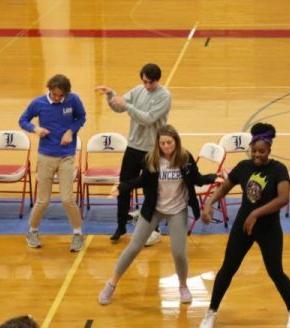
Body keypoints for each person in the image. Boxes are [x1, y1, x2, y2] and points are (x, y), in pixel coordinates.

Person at [98, 125, 217, 306]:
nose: (166, 146)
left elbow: (196, 179)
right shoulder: (151, 160)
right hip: (154, 209)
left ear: (176, 141)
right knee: (133, 248)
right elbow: (141, 181)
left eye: (169, 142)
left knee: (178, 252)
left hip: (178, 209)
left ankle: (183, 286)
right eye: (162, 143)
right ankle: (111, 284)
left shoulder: (185, 158)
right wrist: (123, 187)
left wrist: (213, 178)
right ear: (158, 144)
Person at [198, 123, 290, 328]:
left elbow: (282, 199)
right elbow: (224, 188)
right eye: (254, 151)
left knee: (275, 272)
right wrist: (209, 203)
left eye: (261, 151)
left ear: (269, 150)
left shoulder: (278, 170)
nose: (257, 155)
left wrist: (255, 213)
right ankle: (211, 312)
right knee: (227, 268)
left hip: (269, 229)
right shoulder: (243, 167)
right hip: (243, 227)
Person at [95, 62, 171, 243]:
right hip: (133, 148)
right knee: (123, 187)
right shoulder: (138, 90)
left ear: (157, 81)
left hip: (152, 151)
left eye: (150, 83)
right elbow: (119, 107)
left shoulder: (165, 96)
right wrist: (111, 95)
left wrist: (128, 106)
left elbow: (148, 119)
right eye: (145, 82)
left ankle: (153, 228)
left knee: (150, 191)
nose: (147, 86)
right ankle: (121, 225)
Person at [18, 74, 87, 252]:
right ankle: (32, 231)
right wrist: (35, 129)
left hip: (66, 155)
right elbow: (23, 120)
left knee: (67, 198)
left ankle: (78, 234)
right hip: (45, 156)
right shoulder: (38, 103)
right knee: (42, 200)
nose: (57, 98)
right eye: (55, 95)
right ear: (49, 90)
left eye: (61, 95)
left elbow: (81, 117)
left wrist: (71, 131)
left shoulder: (73, 100)